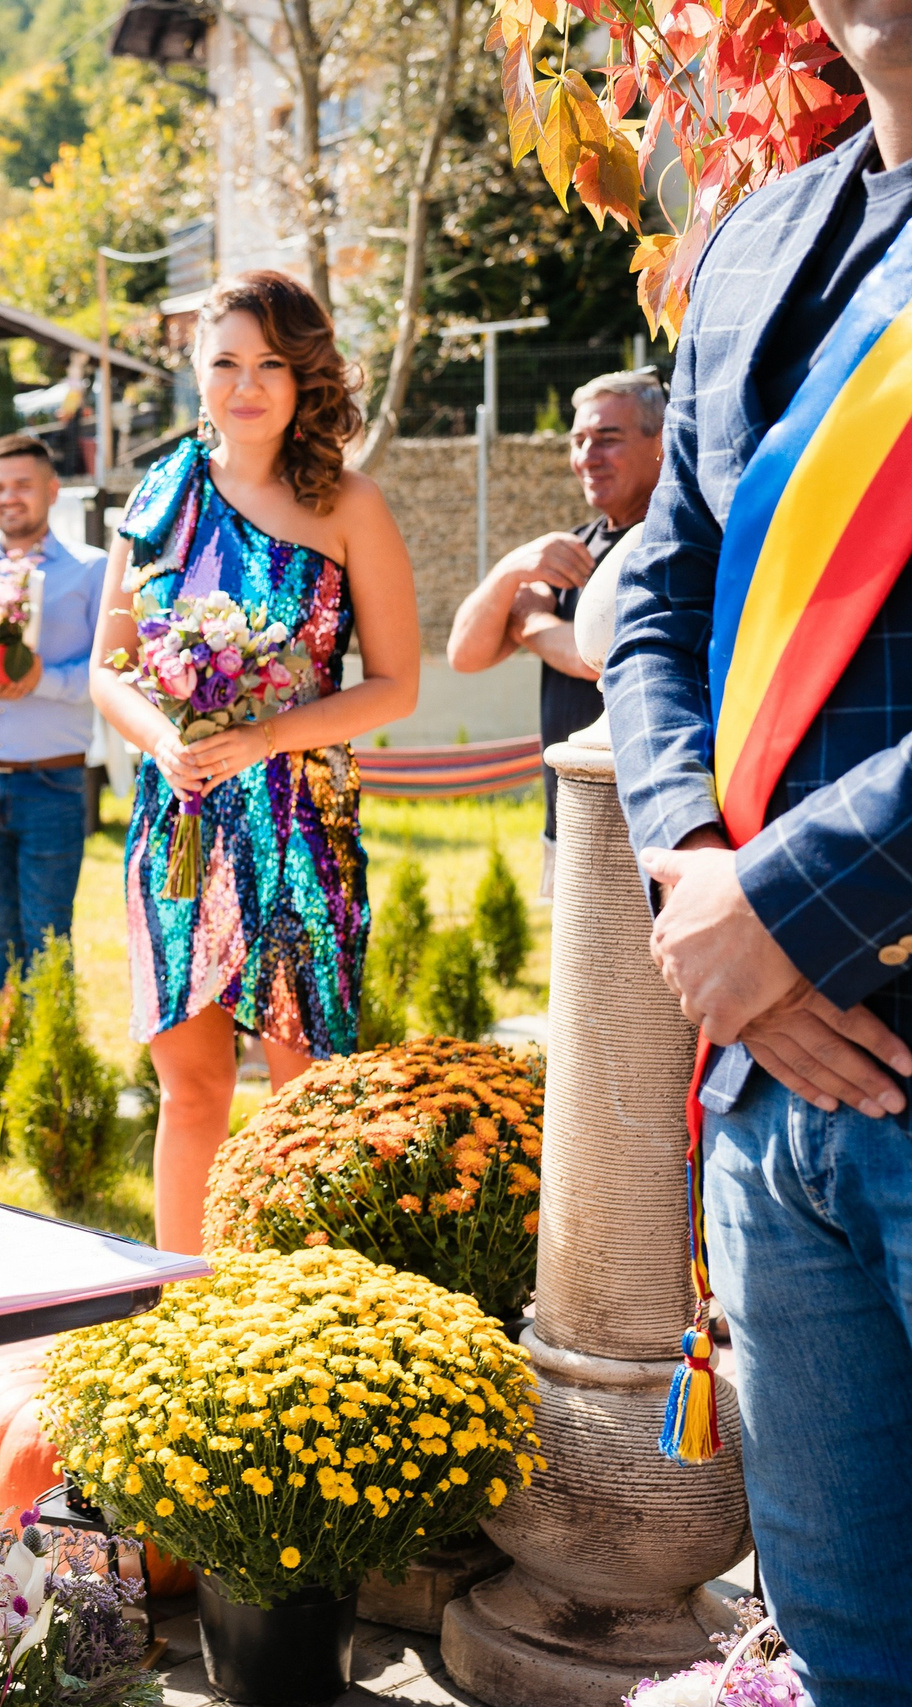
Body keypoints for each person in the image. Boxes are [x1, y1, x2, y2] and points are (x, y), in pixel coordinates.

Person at [607, 10, 912, 1688]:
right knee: (850, 1644)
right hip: (771, 1102)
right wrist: (696, 872)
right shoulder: (754, 237)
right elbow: (654, 596)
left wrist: (778, 912)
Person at [89, 271, 421, 1257]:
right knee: (190, 1089)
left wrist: (268, 737)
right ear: (195, 370)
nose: (246, 385)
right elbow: (106, 671)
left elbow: (396, 686)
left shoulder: (350, 504)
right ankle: (181, 1304)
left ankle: (297, 1309)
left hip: (301, 831)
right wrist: (162, 740)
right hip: (181, 829)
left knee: (304, 1092)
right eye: (225, 361)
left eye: (270, 363)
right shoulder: (158, 502)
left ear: (304, 374)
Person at [447, 370, 666, 884]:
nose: (588, 455)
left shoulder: (667, 539)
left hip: (647, 828)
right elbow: (465, 654)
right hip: (568, 823)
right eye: (578, 440)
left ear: (660, 442)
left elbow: (603, 658)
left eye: (607, 438)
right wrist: (510, 570)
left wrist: (528, 623)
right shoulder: (573, 547)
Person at [0, 433, 108, 988]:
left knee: (49, 931)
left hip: (53, 782)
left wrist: (40, 679)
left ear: (53, 491)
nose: (9, 497)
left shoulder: (92, 570)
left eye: (23, 485)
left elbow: (112, 674)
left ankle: (52, 1037)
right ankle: (12, 1031)